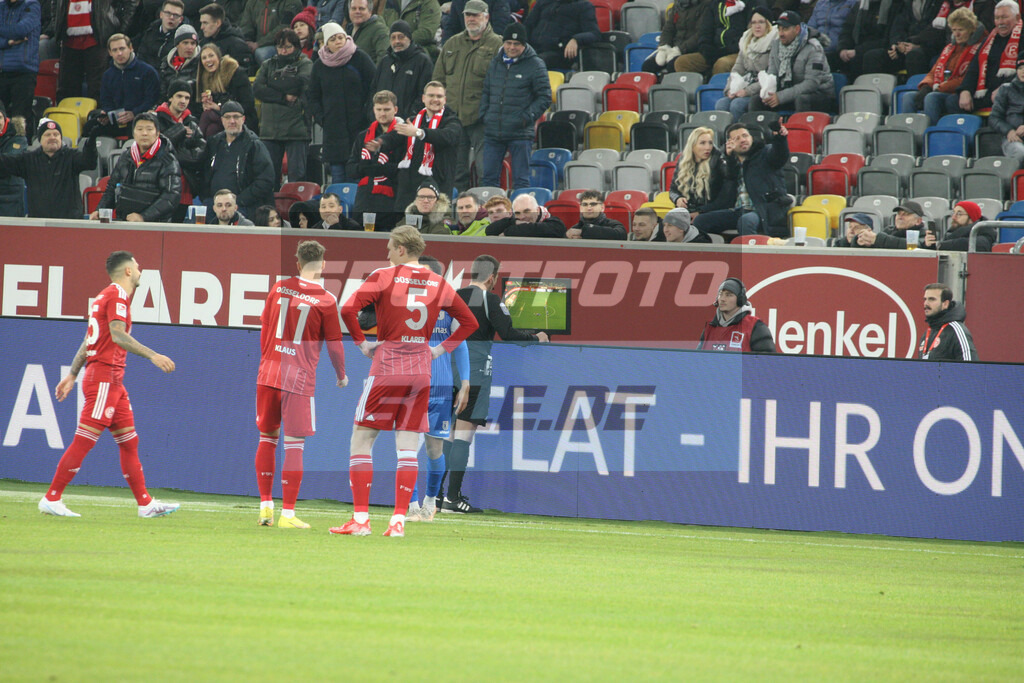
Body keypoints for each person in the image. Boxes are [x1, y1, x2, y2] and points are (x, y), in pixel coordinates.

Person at [331, 225, 478, 537]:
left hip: (387, 366)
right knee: (408, 447)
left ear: (400, 249)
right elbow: (470, 322)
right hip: (421, 371)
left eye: (389, 246)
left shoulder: (384, 275)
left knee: (362, 439)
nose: (386, 252)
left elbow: (347, 308)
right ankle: (398, 522)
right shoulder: (438, 282)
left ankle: (360, 520)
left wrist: (361, 343)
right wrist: (439, 349)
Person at [38, 251, 180, 518]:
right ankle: (51, 497)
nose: (140, 270)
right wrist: (153, 355)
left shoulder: (105, 296)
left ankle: (145, 504)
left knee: (129, 442)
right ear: (128, 271)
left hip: (112, 381)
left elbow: (89, 339)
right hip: (104, 377)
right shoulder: (116, 295)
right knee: (85, 439)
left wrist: (72, 374)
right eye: (137, 266)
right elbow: (116, 334)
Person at [442, 254, 548, 512]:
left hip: (445, 368)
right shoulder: (490, 300)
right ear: (492, 278)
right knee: (463, 436)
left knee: (449, 434)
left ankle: (436, 495)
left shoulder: (451, 295)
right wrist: (538, 338)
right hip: (475, 371)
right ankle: (452, 498)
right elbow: (509, 333)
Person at [254, 240, 348, 528]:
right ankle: (289, 514)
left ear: (297, 263)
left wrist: (267, 361)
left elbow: (266, 330)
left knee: (267, 439)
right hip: (299, 377)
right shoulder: (327, 300)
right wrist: (341, 373)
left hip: (269, 372)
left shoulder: (278, 288)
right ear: (322, 265)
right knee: (294, 445)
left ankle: (265, 508)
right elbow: (334, 345)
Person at [391, 254, 471, 522]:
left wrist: (466, 383)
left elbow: (461, 343)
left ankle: (430, 501)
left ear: (436, 277)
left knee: (434, 450)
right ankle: (410, 505)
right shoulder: (403, 304)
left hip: (439, 386)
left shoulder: (448, 307)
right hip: (409, 385)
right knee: (407, 448)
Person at [432, 0, 502, 191]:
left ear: (486, 17)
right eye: (468, 15)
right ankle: (459, 213)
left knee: (484, 171)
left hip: (483, 120)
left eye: (476, 15)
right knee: (455, 173)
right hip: (454, 119)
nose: (471, 19)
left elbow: (502, 85)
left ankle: (486, 213)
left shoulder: (498, 45)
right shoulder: (451, 43)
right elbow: (438, 81)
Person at [480, 23, 550, 190]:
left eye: (516, 44)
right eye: (508, 43)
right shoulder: (495, 62)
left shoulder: (535, 64)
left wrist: (525, 118)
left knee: (521, 181)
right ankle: (492, 216)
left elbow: (545, 97)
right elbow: (487, 91)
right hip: (493, 131)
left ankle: (522, 215)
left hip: (520, 133)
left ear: (524, 45)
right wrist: (485, 115)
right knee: (488, 180)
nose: (511, 47)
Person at [693, 121, 792, 237]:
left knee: (746, 221)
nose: (742, 140)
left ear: (751, 138)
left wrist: (779, 138)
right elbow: (724, 196)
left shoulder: (765, 153)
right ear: (730, 143)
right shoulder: (731, 164)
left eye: (745, 136)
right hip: (738, 211)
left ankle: (749, 255)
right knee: (700, 221)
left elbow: (780, 155)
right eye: (737, 138)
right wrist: (701, 211)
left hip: (763, 210)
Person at [377, 80, 462, 209]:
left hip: (439, 182)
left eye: (439, 96)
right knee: (404, 224)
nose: (435, 99)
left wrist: (419, 132)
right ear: (423, 98)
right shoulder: (414, 120)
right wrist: (381, 142)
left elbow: (446, 136)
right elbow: (397, 135)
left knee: (434, 226)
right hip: (410, 185)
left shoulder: (452, 121)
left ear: (445, 100)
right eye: (431, 96)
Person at [309, 22, 376, 184]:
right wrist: (322, 118)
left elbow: (374, 86)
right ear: (325, 43)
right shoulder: (319, 66)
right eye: (333, 39)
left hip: (359, 129)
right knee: (338, 181)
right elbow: (313, 96)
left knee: (358, 180)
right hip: (333, 132)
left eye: (341, 37)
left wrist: (367, 114)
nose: (338, 41)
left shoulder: (360, 58)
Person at [0, 118, 97, 218]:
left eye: (56, 134)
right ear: (39, 140)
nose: (52, 137)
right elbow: (4, 162)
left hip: (69, 224)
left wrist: (91, 143)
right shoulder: (29, 159)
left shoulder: (71, 156)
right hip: (39, 225)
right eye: (48, 135)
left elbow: (89, 162)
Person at [94, 112, 182, 223]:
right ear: (134, 133)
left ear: (157, 133)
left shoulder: (168, 160)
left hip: (156, 225)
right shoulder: (126, 157)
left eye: (149, 129)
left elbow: (171, 197)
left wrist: (144, 217)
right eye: (140, 129)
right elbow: (112, 188)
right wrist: (100, 210)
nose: (144, 133)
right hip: (125, 222)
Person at [253, 28, 312, 184]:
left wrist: (271, 84)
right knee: (269, 176)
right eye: (280, 47)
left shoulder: (305, 63)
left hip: (296, 130)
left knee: (297, 176)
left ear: (296, 47)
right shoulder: (268, 64)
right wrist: (283, 96)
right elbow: (257, 89)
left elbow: (298, 84)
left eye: (287, 47)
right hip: (269, 130)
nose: (283, 51)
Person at [200, 100, 275, 216]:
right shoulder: (213, 142)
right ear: (222, 120)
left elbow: (266, 180)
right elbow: (203, 172)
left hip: (242, 206)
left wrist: (239, 201)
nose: (232, 121)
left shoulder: (254, 144)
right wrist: (206, 197)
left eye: (236, 117)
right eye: (228, 117)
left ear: (243, 119)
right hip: (213, 205)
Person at [750, 11, 835, 113]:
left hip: (819, 95)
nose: (781, 34)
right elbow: (772, 74)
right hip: (789, 93)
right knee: (756, 101)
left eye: (785, 29)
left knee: (801, 99)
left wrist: (781, 97)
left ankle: (798, 128)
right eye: (779, 29)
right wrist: (767, 93)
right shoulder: (776, 45)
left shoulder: (814, 48)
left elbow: (811, 84)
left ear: (797, 29)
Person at [909, 7, 982, 123]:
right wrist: (926, 86)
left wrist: (941, 88)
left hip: (955, 92)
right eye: (954, 30)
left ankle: (931, 135)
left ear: (971, 30)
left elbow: (967, 78)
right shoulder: (949, 48)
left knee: (931, 98)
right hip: (941, 88)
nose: (956, 34)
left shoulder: (977, 49)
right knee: (909, 97)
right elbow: (933, 72)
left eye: (960, 30)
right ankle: (910, 132)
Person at [54, 0, 134, 102]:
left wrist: (120, 30)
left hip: (97, 39)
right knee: (66, 91)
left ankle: (97, 117)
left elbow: (130, 3)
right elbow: (55, 4)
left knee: (98, 90)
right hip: (68, 41)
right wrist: (57, 24)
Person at [88, 34, 162, 137]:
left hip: (140, 118)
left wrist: (134, 113)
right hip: (116, 120)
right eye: (115, 50)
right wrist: (108, 115)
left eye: (122, 48)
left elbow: (152, 99)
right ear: (110, 53)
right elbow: (106, 100)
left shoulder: (147, 71)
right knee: (90, 127)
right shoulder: (107, 75)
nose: (119, 53)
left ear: (130, 48)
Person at [347, 90, 400, 227]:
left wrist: (382, 169)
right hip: (364, 200)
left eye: (387, 109)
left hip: (390, 202)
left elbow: (405, 169)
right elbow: (350, 169)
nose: (382, 113)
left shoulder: (402, 136)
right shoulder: (363, 136)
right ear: (374, 110)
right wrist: (362, 168)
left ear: (395, 110)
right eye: (379, 109)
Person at [155, 79, 206, 220]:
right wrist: (180, 130)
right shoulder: (155, 120)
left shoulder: (193, 123)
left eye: (187, 97)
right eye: (179, 96)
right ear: (170, 97)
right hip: (160, 186)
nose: (183, 100)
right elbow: (158, 147)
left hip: (185, 189)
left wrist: (174, 155)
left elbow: (199, 155)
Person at [958, 0, 1021, 113]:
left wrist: (1004, 88)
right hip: (984, 92)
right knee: (949, 101)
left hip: (1011, 93)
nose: (1000, 22)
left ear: (1017, 17)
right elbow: (974, 68)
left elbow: (1021, 73)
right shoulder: (989, 40)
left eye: (1004, 17)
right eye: (997, 18)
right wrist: (965, 90)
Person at [715, 7, 778, 118]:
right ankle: (725, 135)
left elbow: (771, 76)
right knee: (721, 104)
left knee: (737, 105)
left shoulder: (775, 43)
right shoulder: (745, 41)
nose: (757, 26)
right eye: (753, 22)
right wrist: (730, 89)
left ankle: (741, 134)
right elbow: (736, 70)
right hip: (744, 86)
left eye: (761, 22)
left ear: (768, 23)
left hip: (762, 90)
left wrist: (747, 91)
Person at [861, 0, 946, 77]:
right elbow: (897, 27)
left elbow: (936, 31)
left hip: (927, 48)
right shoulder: (906, 4)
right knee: (873, 57)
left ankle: (915, 91)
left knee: (914, 56)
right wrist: (896, 45)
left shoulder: (939, 3)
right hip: (904, 47)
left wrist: (915, 44)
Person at [370, 21, 434, 119]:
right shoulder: (385, 62)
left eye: (401, 37)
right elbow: (374, 91)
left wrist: (410, 116)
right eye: (393, 37)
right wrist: (373, 115)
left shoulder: (422, 61)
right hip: (382, 123)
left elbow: (424, 95)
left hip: (408, 124)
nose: (397, 41)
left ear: (409, 38)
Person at [193, 43, 259, 137]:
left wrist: (219, 107)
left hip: (243, 120)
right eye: (204, 58)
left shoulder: (235, 73)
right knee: (212, 128)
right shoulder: (204, 79)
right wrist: (207, 105)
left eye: (211, 56)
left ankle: (196, 143)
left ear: (219, 57)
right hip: (220, 121)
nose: (208, 60)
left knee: (207, 115)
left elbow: (248, 104)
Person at [696, 277, 776, 352]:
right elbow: (697, 360)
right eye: (720, 294)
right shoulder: (710, 327)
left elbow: (768, 362)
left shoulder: (755, 326)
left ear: (740, 299)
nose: (723, 299)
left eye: (728, 295)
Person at [673, 0, 750, 75]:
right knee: (682, 62)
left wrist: (726, 50)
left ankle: (718, 87)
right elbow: (705, 31)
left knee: (721, 64)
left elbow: (748, 33)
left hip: (738, 52)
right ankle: (699, 87)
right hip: (715, 50)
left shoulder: (748, 3)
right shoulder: (714, 4)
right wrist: (707, 49)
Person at [670, 126, 732, 219]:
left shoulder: (718, 162)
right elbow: (673, 190)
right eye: (702, 143)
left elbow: (724, 200)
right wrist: (677, 199)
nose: (708, 147)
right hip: (688, 211)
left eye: (710, 143)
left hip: (711, 212)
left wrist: (701, 212)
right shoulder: (683, 162)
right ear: (693, 146)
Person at [523, 0, 599, 70]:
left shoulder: (584, 6)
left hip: (560, 53)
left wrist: (575, 39)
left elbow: (594, 33)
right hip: (534, 49)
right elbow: (528, 26)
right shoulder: (543, 2)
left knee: (533, 62)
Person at [0, 0, 41, 126]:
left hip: (24, 71)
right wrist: (8, 42)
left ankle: (21, 144)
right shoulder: (1, 6)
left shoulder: (32, 5)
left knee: (20, 118)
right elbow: (16, 32)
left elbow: (21, 29)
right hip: (2, 70)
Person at [642, 0, 706, 76]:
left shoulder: (705, 5)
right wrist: (664, 47)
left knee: (673, 65)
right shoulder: (677, 5)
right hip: (673, 49)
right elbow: (668, 29)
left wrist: (680, 49)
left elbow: (701, 34)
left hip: (693, 50)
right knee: (648, 65)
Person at [835, 0, 894, 79]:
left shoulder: (892, 5)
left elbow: (887, 39)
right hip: (857, 48)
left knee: (865, 58)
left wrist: (858, 51)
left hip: (880, 49)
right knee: (830, 58)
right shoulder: (859, 6)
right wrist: (843, 48)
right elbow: (847, 30)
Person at [918, 283, 977, 361]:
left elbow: (971, 367)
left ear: (945, 304)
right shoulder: (928, 333)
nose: (926, 303)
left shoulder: (957, 330)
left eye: (932, 299)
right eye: (925, 299)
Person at [837, 201, 926, 249]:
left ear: (918, 221)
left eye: (906, 214)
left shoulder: (924, 234)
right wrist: (860, 242)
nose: (900, 217)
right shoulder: (888, 230)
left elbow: (915, 246)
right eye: (899, 214)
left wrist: (877, 239)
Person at [239, 0, 302, 65]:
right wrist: (246, 42)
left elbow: (284, 27)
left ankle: (272, 74)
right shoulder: (252, 2)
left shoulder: (292, 2)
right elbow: (246, 26)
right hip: (256, 44)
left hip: (281, 45)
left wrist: (259, 44)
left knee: (262, 53)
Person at [198, 3, 254, 76]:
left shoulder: (237, 44)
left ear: (217, 23)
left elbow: (244, 72)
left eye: (205, 23)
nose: (202, 27)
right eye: (201, 23)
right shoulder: (203, 43)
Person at [924, 200, 997, 252]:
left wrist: (940, 245)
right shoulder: (951, 234)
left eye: (959, 214)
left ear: (972, 218)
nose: (953, 217)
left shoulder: (984, 231)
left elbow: (967, 243)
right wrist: (929, 245)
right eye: (953, 213)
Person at [989, 57, 1024, 163]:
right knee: (1020, 152)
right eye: (1020, 68)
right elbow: (994, 118)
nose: (1023, 71)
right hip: (1013, 138)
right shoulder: (1006, 89)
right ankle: (1012, 179)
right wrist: (1009, 131)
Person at [485, 193, 566, 237]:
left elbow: (555, 230)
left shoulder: (554, 222)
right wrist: (514, 222)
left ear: (537, 210)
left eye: (527, 211)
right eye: (518, 213)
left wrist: (507, 232)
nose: (522, 217)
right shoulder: (515, 221)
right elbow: (489, 231)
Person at [807, 0, 857, 69]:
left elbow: (851, 29)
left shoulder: (854, 3)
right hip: (816, 49)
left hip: (839, 50)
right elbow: (811, 27)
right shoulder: (820, 3)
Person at [136, 0, 185, 68]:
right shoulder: (150, 31)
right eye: (168, 13)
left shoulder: (183, 40)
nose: (171, 17)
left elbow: (176, 68)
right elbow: (141, 56)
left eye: (176, 15)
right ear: (161, 14)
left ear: (181, 19)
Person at [0, 104, 27, 217]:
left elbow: (8, 164)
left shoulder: (18, 138)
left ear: (5, 118)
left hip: (10, 197)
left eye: (0, 117)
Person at [442, 0, 510, 43]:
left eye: (475, 15)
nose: (471, 18)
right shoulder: (458, 2)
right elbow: (451, 26)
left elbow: (500, 26)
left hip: (488, 45)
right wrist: (446, 46)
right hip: (463, 44)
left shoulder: (498, 2)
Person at [159, 24, 201, 95]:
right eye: (185, 43)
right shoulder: (166, 63)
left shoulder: (200, 62)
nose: (190, 47)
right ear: (177, 45)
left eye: (193, 43)